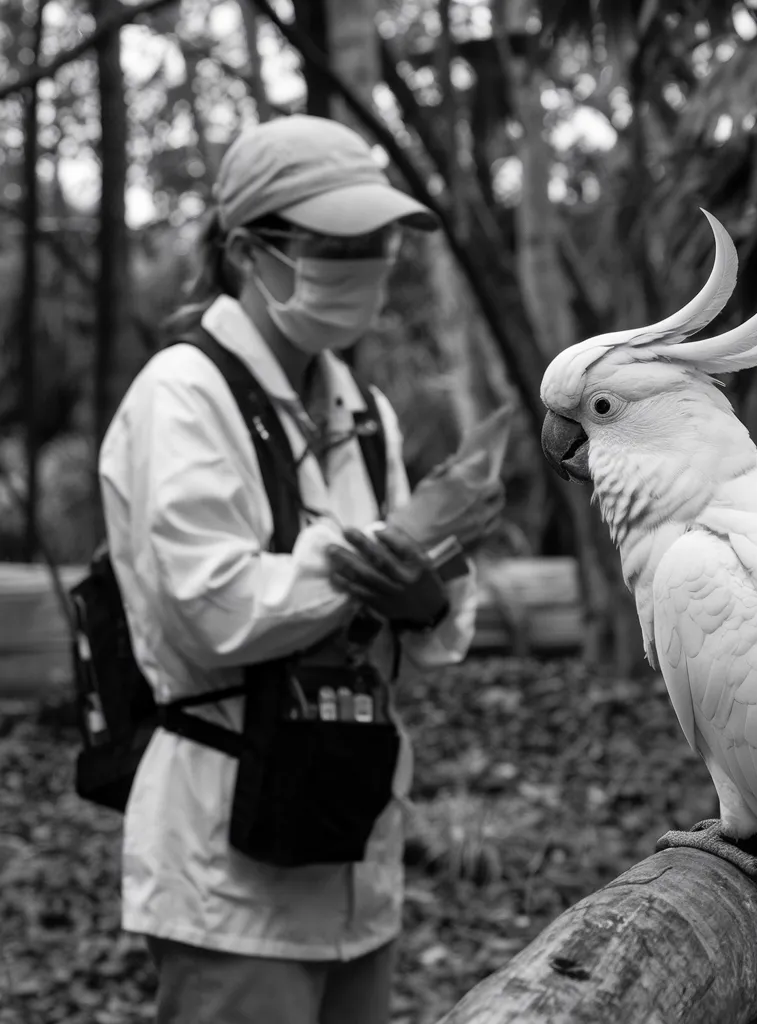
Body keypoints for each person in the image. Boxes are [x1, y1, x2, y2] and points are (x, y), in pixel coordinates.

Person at [98, 114, 504, 1024]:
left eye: (379, 244)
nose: (365, 264)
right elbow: (214, 606)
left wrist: (428, 592)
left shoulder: (363, 407)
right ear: (250, 250)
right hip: (229, 858)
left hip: (355, 835)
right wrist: (373, 564)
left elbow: (436, 636)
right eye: (337, 244)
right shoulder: (182, 395)